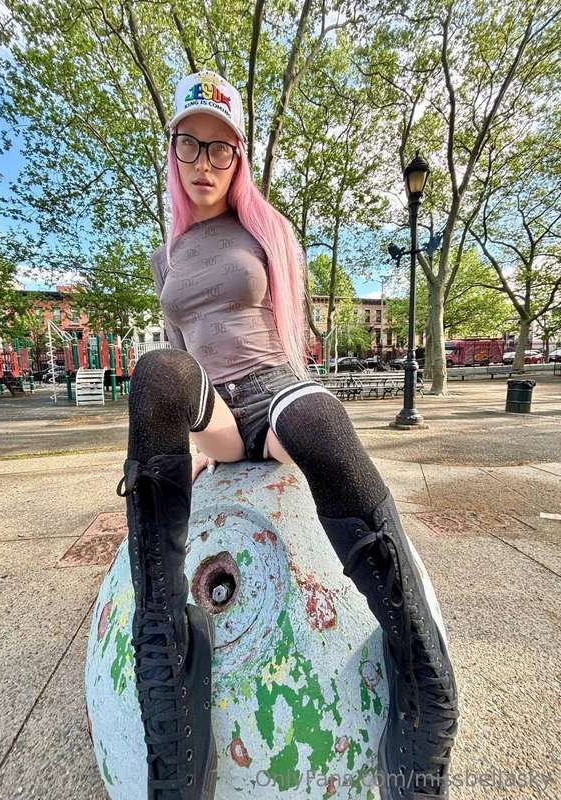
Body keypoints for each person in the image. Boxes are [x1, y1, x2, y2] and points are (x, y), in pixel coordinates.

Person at [116, 70, 459, 800]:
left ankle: (423, 671)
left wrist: (294, 421)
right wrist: (188, 440)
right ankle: (165, 667)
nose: (205, 163)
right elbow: (180, 351)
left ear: (238, 158)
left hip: (273, 391)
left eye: (221, 149)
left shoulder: (266, 231)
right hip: (214, 411)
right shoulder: (164, 257)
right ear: (173, 151)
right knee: (155, 371)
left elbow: (288, 332)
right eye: (190, 145)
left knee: (324, 423)